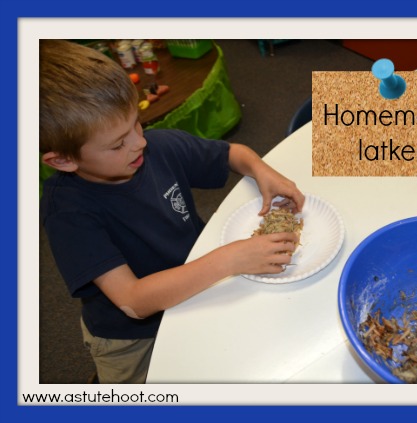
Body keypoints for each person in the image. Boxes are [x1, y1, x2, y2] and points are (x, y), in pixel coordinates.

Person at [39, 40, 305, 384]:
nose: (139, 143)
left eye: (136, 123)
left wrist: (261, 170)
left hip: (195, 290)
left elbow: (231, 153)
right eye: (118, 143)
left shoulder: (157, 147)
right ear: (64, 159)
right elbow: (133, 301)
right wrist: (230, 260)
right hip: (133, 339)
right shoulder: (68, 212)